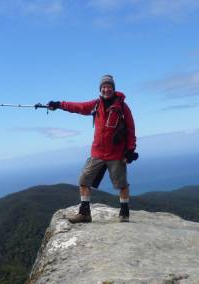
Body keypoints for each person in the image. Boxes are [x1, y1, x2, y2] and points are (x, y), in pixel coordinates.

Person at [48, 74, 137, 223]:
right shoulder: (96, 104)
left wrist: (130, 150)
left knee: (122, 185)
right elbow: (78, 107)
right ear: (100, 89)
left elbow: (130, 129)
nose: (106, 89)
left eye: (109, 87)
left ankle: (124, 213)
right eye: (103, 87)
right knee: (83, 181)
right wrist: (59, 105)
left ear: (113, 89)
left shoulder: (122, 106)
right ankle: (84, 214)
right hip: (97, 153)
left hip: (116, 153)